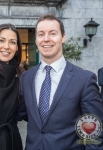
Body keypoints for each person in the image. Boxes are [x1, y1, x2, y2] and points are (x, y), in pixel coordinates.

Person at [17, 14, 103, 150]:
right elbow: (22, 113)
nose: (46, 39)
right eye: (41, 34)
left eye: (52, 33)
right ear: (36, 40)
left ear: (63, 37)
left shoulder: (84, 79)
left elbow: (94, 134)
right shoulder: (26, 77)